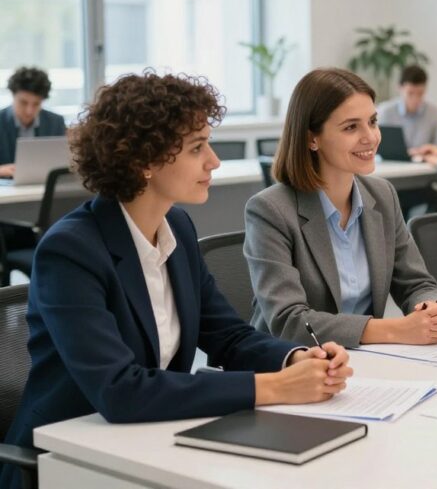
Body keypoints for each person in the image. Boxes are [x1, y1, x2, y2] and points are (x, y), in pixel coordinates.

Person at [0, 72, 352, 489]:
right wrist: (274, 388)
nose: (214, 161)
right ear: (144, 161)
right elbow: (120, 390)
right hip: (66, 459)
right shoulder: (72, 251)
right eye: (196, 148)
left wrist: (294, 359)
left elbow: (229, 337)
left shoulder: (177, 229)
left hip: (151, 439)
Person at [244, 68, 437, 350]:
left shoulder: (382, 195)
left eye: (372, 121)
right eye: (351, 127)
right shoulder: (270, 210)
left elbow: (416, 282)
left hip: (366, 362)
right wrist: (395, 330)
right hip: (296, 367)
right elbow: (290, 322)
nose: (370, 137)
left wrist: (429, 307)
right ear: (311, 139)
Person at [0, 66, 67, 177]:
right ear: (13, 95)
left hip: (42, 187)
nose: (29, 111)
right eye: (23, 102)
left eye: (36, 104)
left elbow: (62, 163)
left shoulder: (55, 122)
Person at [377, 64, 437, 151]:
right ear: (400, 88)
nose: (415, 99)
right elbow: (375, 146)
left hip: (423, 163)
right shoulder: (384, 111)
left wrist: (430, 151)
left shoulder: (436, 113)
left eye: (420, 93)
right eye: (410, 93)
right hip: (391, 163)